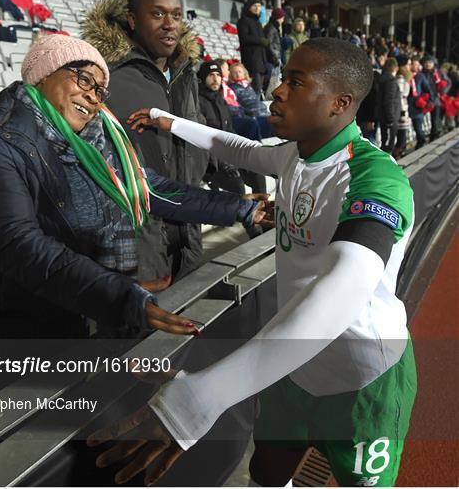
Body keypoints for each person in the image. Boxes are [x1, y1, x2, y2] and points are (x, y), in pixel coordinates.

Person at [88, 38, 417, 488]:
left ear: (340, 102)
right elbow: (237, 149)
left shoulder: (376, 177)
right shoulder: (292, 155)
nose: (279, 91)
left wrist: (206, 395)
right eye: (283, 78)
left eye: (296, 83)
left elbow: (343, 290)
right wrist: (169, 121)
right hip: (290, 365)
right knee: (265, 474)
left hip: (362, 378)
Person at [0, 35, 271, 392]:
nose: (92, 95)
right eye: (82, 79)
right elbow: (18, 244)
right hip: (1, 311)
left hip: (61, 293)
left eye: (99, 88)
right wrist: (118, 296)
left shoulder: (98, 136)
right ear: (44, 73)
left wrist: (242, 208)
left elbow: (149, 188)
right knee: (37, 410)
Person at [83, 0, 210, 281]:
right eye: (157, 14)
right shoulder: (104, 75)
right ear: (132, 20)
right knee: (142, 328)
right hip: (136, 242)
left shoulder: (186, 73)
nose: (170, 24)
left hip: (188, 233)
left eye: (176, 15)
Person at [197, 60, 267, 197]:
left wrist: (244, 153)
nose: (215, 78)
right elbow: (201, 139)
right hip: (211, 163)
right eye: (211, 75)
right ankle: (239, 217)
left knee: (257, 174)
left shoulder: (221, 100)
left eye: (218, 75)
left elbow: (230, 132)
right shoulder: (198, 103)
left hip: (228, 156)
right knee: (238, 186)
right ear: (203, 78)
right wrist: (224, 163)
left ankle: (262, 211)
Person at [237, 0, 269, 96]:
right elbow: (244, 38)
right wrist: (260, 40)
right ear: (249, 7)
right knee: (254, 90)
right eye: (254, 5)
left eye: (259, 6)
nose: (257, 8)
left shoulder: (258, 22)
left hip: (261, 62)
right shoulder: (243, 20)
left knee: (259, 90)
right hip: (251, 62)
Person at [377, 57, 401, 153]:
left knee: (384, 143)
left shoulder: (382, 78)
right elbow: (389, 101)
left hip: (384, 116)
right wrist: (391, 119)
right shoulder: (391, 81)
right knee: (388, 146)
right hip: (390, 117)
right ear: (395, 67)